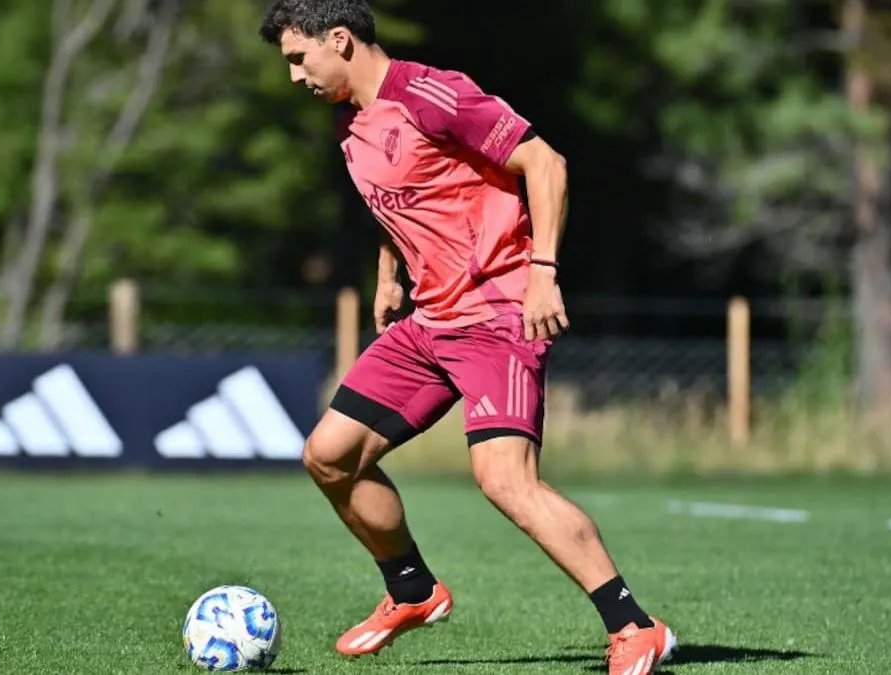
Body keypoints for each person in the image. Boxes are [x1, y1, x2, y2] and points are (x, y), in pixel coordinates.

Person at [258, 2, 677, 673]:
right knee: (329, 455)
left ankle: (635, 624)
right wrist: (389, 273)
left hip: (498, 316)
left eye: (297, 58)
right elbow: (402, 198)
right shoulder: (350, 120)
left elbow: (547, 165)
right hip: (430, 322)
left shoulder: (432, 93)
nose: (293, 75)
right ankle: (413, 590)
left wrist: (544, 273)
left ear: (338, 40)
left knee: (504, 481)